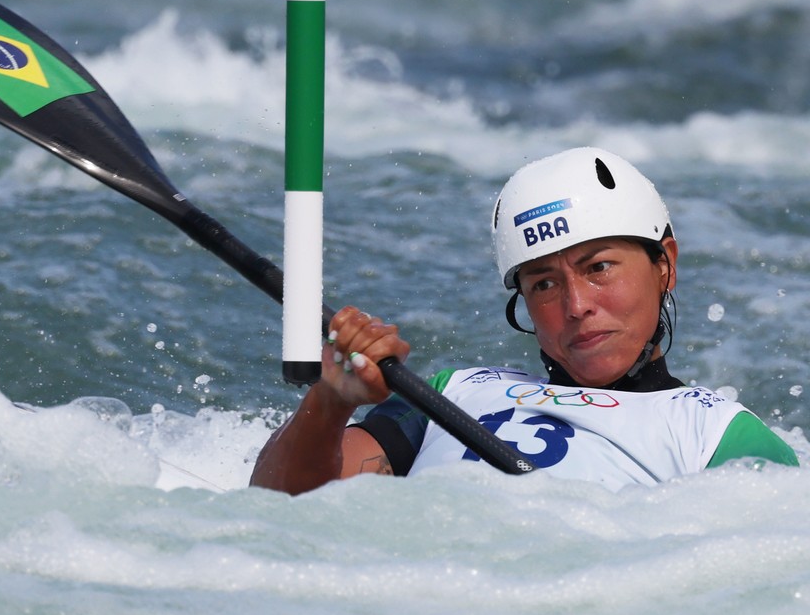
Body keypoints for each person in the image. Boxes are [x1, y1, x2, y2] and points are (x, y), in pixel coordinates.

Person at [250, 147, 799, 493]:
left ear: (666, 264)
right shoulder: (450, 395)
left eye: (599, 267)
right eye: (544, 283)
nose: (577, 304)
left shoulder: (716, 434)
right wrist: (330, 402)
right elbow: (282, 510)